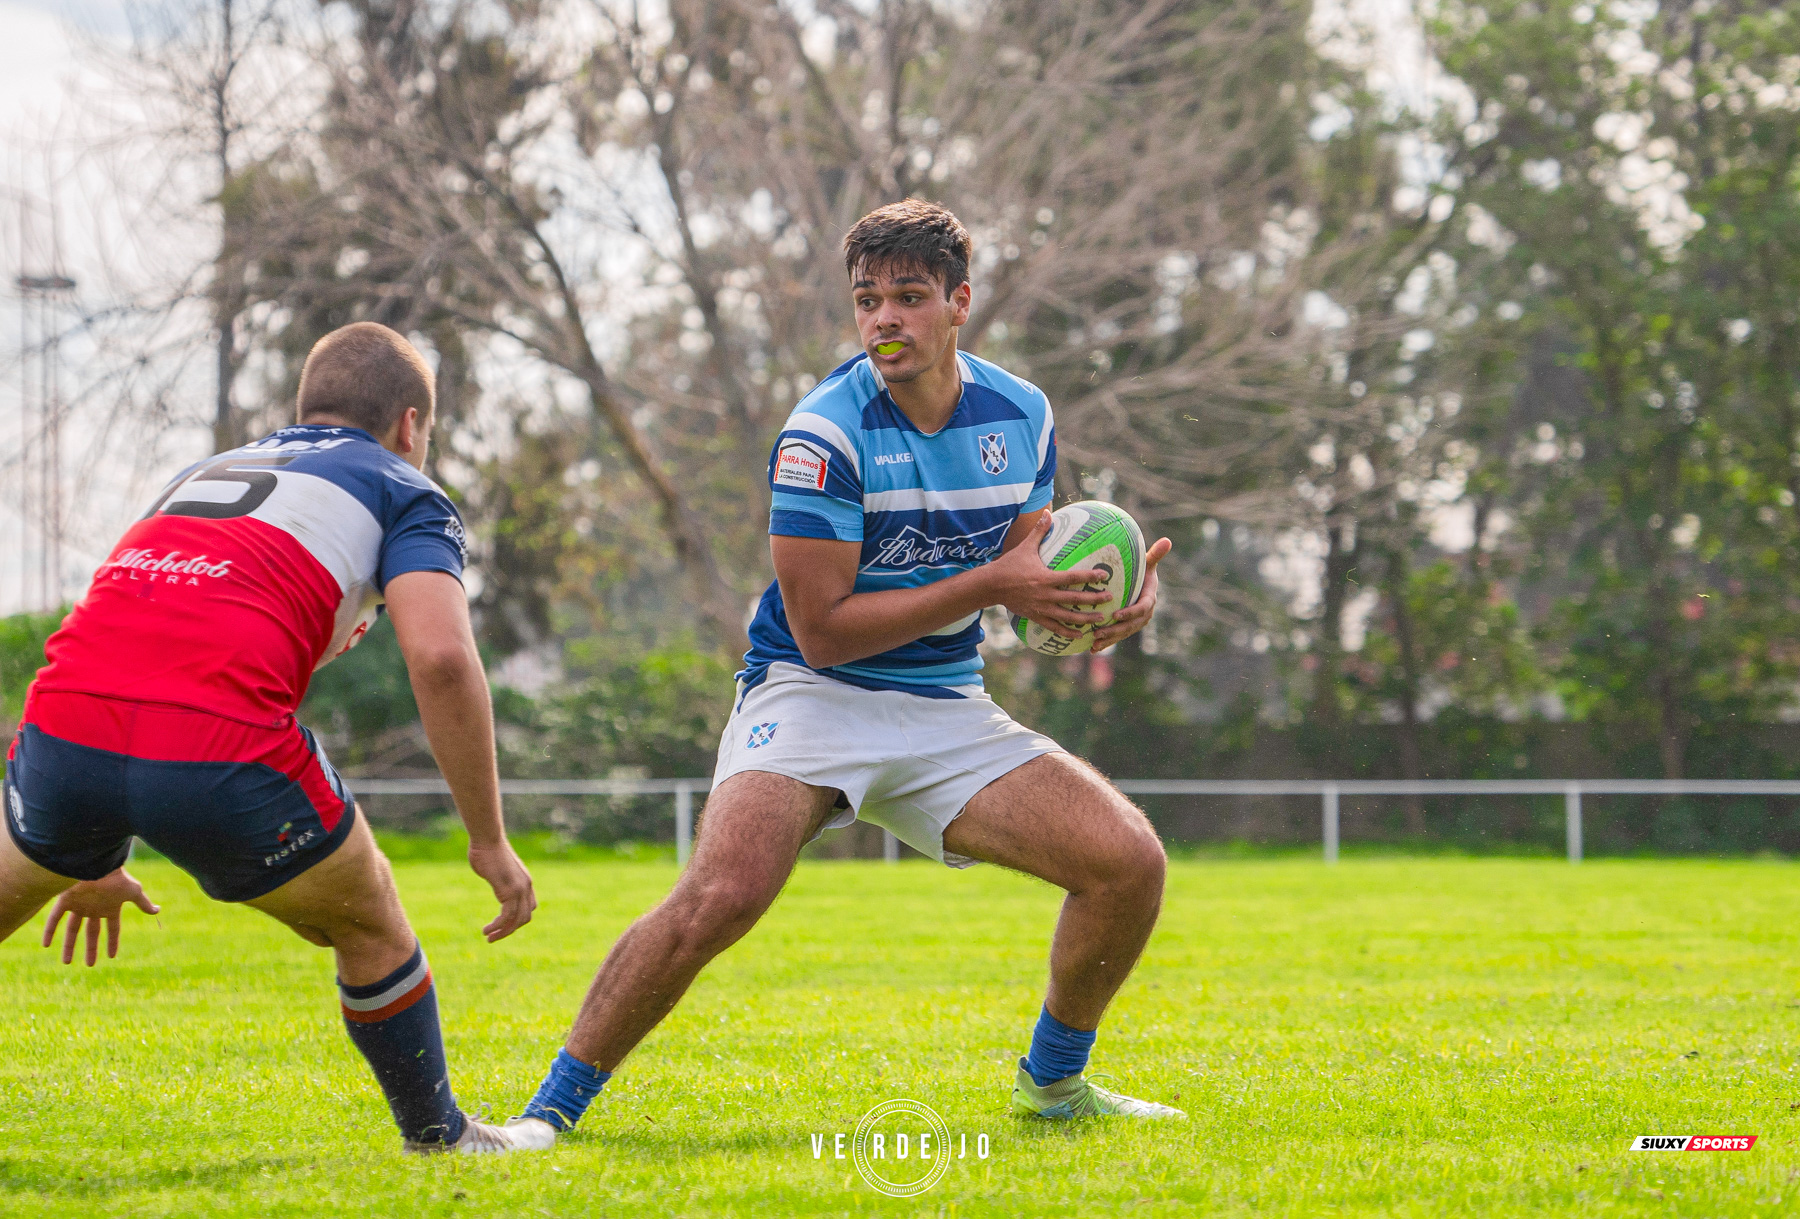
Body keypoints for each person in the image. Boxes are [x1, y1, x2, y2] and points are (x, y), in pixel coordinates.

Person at [513, 200, 1182, 1138]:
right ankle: (547, 1115)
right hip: (811, 693)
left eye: (909, 297)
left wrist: (1093, 609)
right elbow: (822, 631)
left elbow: (1024, 567)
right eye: (868, 300)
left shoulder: (1023, 414)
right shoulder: (821, 435)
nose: (884, 320)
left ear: (960, 303)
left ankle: (1054, 1085)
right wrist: (996, 583)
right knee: (722, 895)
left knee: (1129, 863)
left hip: (946, 701)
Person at [0, 322, 552, 1154]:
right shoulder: (404, 487)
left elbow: (130, 627)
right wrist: (489, 838)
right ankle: (440, 1137)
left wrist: (88, 850)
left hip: (62, 721)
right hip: (217, 744)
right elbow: (441, 658)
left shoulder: (202, 473)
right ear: (410, 426)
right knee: (370, 921)